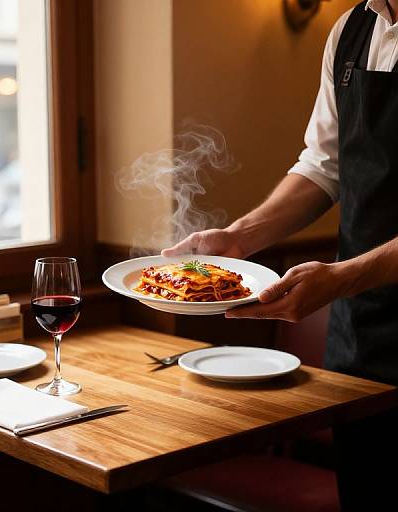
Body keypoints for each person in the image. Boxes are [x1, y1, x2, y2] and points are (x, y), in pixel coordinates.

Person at [162, 1, 398, 510]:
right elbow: (324, 166)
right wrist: (239, 238)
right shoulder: (352, 29)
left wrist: (341, 277)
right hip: (362, 340)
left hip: (349, 289)